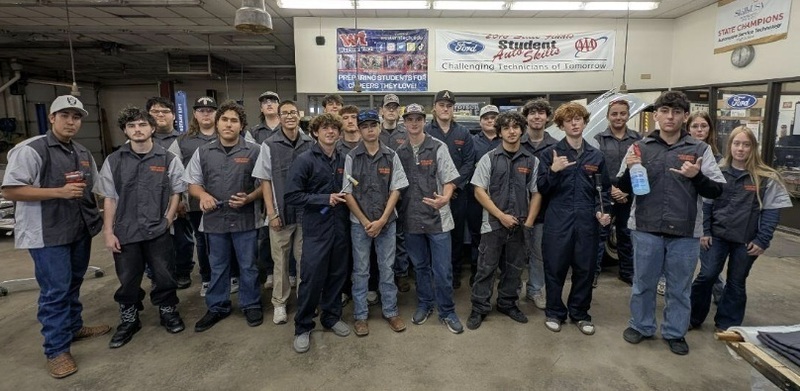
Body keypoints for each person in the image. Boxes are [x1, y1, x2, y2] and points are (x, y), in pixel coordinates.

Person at [1, 95, 108, 378]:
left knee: (72, 284)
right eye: (65, 116)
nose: (71, 121)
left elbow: (96, 189)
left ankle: (73, 328)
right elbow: (10, 190)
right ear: (52, 118)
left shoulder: (82, 152)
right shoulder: (31, 150)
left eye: (76, 117)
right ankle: (57, 350)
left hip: (78, 230)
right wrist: (57, 192)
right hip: (47, 234)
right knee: (55, 292)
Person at [619, 91, 725, 356]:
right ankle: (641, 325)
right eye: (664, 111)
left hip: (686, 232)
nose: (670, 117)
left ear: (685, 116)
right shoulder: (638, 148)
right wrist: (630, 168)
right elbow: (620, 187)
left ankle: (675, 332)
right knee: (643, 283)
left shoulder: (700, 150)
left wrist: (697, 177)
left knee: (679, 288)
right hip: (645, 228)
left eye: (676, 112)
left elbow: (717, 191)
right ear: (655, 115)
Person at [96, 107, 186, 348]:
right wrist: (108, 232)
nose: (138, 130)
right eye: (132, 126)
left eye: (142, 125)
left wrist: (168, 219)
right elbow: (109, 197)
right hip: (125, 231)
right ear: (125, 130)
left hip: (158, 230)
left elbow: (177, 191)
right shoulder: (114, 161)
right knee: (128, 278)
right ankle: (129, 317)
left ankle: (167, 309)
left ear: (152, 128)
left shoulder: (167, 158)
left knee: (164, 273)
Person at [690, 126, 792, 331]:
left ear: (753, 148)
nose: (741, 149)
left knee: (736, 281)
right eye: (737, 143)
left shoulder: (766, 178)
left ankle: (727, 323)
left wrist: (762, 240)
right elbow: (706, 205)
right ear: (730, 146)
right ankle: (692, 317)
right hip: (716, 237)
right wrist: (705, 231)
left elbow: (771, 212)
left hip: (746, 240)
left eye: (746, 144)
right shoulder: (717, 172)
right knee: (707, 275)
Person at [183, 100, 264, 332]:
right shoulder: (203, 152)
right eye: (225, 120)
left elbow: (263, 185)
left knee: (248, 265)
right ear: (217, 124)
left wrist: (249, 198)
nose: (229, 125)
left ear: (241, 126)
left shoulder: (254, 151)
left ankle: (251, 304)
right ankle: (217, 306)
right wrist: (203, 196)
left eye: (234, 121)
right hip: (214, 219)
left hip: (245, 219)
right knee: (218, 265)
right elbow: (192, 182)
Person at [537, 102, 611, 335]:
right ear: (561, 125)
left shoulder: (596, 155)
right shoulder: (550, 154)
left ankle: (580, 313)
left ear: (585, 122)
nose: (574, 123)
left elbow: (605, 191)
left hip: (587, 219)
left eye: (578, 118)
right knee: (555, 267)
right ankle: (554, 312)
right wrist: (553, 171)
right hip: (558, 218)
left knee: (585, 268)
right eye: (569, 120)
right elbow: (541, 188)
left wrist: (603, 211)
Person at [467, 111, 541, 330]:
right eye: (506, 127)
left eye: (515, 127)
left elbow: (536, 192)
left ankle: (507, 304)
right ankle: (479, 307)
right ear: (499, 132)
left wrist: (528, 222)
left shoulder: (531, 160)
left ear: (521, 130)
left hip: (520, 225)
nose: (511, 131)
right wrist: (500, 215)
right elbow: (479, 190)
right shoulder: (488, 158)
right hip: (492, 224)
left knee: (515, 268)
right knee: (485, 268)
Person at [286, 113, 352, 353]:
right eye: (325, 128)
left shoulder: (345, 158)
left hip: (340, 226)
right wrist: (325, 198)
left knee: (337, 276)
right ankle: (303, 326)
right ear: (315, 132)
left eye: (334, 128)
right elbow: (292, 196)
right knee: (312, 279)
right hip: (316, 228)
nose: (330, 132)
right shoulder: (304, 159)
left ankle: (332, 317)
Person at [397, 103, 464, 334]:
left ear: (424, 121)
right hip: (411, 219)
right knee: (420, 267)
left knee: (443, 269)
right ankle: (425, 304)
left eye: (418, 118)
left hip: (438, 219)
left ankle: (447, 310)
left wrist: (445, 198)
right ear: (404, 123)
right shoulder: (399, 152)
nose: (414, 123)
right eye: (410, 119)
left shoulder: (438, 147)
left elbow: (449, 178)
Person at [343, 109, 409, 336]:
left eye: (373, 125)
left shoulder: (391, 155)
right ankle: (360, 316)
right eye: (365, 126)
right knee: (361, 270)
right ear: (359, 130)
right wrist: (364, 221)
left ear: (379, 127)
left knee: (386, 269)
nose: (369, 129)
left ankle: (391, 311)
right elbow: (347, 192)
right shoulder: (352, 157)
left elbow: (396, 189)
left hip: (387, 223)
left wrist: (381, 220)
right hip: (358, 224)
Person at [168, 96, 239, 297]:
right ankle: (207, 277)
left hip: (229, 199)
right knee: (202, 241)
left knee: (232, 239)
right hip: (197, 202)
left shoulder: (229, 133)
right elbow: (174, 172)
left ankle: (234, 275)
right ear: (195, 114)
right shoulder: (182, 141)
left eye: (210, 110)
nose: (205, 114)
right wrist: (180, 198)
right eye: (201, 110)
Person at [252, 100, 313, 325]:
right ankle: (279, 303)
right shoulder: (269, 144)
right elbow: (265, 181)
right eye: (284, 113)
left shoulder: (310, 143)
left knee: (304, 260)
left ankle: (305, 301)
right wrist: (272, 213)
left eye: (293, 112)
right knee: (280, 262)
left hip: (305, 214)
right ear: (279, 117)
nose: (289, 116)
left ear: (299, 115)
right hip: (281, 214)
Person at [424, 90, 476, 289]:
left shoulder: (463, 133)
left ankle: (452, 273)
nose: (445, 109)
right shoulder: (426, 131)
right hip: (431, 195)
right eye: (442, 105)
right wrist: (440, 190)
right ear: (434, 108)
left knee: (455, 235)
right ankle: (432, 274)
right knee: (432, 234)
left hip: (457, 195)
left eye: (449, 106)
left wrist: (452, 186)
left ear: (453, 109)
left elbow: (469, 163)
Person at [146, 97, 193, 289]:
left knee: (182, 238)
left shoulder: (183, 140)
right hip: (150, 201)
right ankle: (156, 273)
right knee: (152, 240)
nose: (160, 115)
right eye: (155, 112)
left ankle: (183, 271)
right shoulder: (142, 139)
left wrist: (181, 198)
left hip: (177, 197)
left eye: (164, 111)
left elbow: (184, 172)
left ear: (174, 115)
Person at [593, 99, 640, 287]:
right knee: (599, 235)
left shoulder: (638, 139)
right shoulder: (598, 139)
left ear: (628, 115)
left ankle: (627, 272)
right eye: (614, 114)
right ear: (608, 116)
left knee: (626, 234)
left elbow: (642, 168)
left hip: (629, 195)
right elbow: (595, 167)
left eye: (622, 113)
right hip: (604, 194)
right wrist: (610, 189)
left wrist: (626, 192)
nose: (618, 117)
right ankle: (593, 273)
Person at [519, 98, 557, 310]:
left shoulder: (555, 146)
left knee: (538, 253)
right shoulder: (516, 140)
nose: (536, 116)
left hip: (544, 211)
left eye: (541, 113)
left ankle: (535, 289)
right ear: (526, 117)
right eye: (532, 113)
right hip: (516, 209)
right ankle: (513, 288)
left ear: (547, 117)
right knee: (514, 253)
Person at [244, 90, 281, 291]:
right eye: (264, 102)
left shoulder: (289, 127)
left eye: (272, 101)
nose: (268, 104)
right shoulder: (255, 132)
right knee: (266, 234)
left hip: (284, 187)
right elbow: (250, 160)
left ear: (278, 106)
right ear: (261, 108)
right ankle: (269, 272)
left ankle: (290, 272)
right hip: (262, 186)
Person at [466, 105, 502, 286]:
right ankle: (477, 272)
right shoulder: (472, 141)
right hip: (476, 198)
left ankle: (498, 272)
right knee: (477, 237)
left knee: (499, 237)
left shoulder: (505, 140)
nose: (490, 120)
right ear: (480, 121)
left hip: (500, 199)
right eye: (486, 117)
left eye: (493, 117)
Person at [379, 94, 411, 292]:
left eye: (395, 107)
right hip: (379, 192)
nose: (391, 110)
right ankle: (383, 276)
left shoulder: (406, 133)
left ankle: (401, 273)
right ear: (382, 110)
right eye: (388, 107)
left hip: (403, 192)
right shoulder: (374, 130)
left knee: (401, 235)